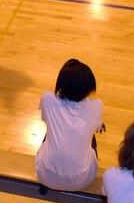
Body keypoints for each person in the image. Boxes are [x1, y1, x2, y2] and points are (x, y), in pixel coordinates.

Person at [35, 59, 103, 191]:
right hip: (82, 181)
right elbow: (97, 127)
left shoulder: (48, 98)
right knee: (91, 136)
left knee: (50, 131)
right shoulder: (96, 105)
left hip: (46, 176)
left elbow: (46, 119)